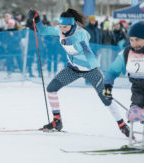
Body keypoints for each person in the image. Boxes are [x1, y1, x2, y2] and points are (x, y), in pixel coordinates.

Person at [27, 8, 130, 137]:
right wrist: (36, 19)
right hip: (73, 69)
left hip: (90, 70)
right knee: (51, 88)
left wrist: (69, 41)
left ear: (71, 25)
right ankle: (57, 120)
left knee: (105, 99)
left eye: (64, 27)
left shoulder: (81, 34)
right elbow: (42, 31)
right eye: (60, 26)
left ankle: (122, 124)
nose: (62, 29)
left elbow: (85, 47)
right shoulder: (60, 30)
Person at [104, 22, 144, 122]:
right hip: (137, 103)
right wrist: (107, 85)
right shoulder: (128, 52)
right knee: (131, 115)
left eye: (137, 40)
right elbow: (112, 71)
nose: (134, 44)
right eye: (131, 40)